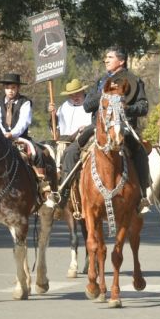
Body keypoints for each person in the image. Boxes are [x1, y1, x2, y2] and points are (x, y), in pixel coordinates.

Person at [60, 46, 150, 211]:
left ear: (121, 61)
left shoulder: (134, 80)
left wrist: (126, 108)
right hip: (98, 126)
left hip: (124, 125)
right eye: (105, 57)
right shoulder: (101, 81)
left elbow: (144, 107)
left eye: (110, 57)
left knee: (140, 153)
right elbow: (87, 105)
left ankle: (142, 197)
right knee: (71, 151)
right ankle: (64, 194)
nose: (106, 60)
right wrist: (107, 95)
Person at [0, 73, 47, 177]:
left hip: (20, 137)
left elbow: (24, 122)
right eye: (7, 88)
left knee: (39, 152)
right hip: (1, 137)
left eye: (13, 87)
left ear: (18, 88)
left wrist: (12, 134)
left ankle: (42, 181)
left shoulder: (25, 102)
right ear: (4, 88)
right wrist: (3, 134)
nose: (10, 90)